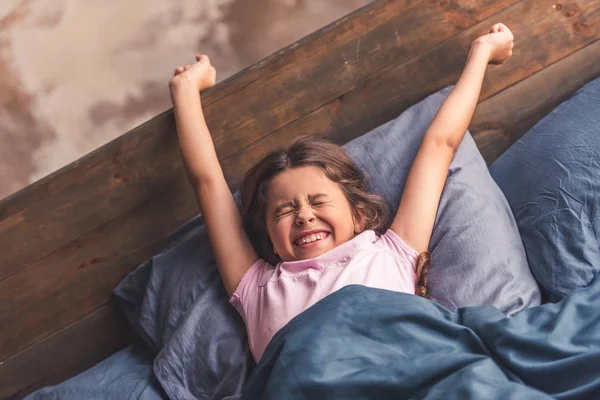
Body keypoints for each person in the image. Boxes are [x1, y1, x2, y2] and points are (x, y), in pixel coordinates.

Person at [168, 23, 515, 362]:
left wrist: (481, 54)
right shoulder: (257, 287)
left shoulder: (392, 252)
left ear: (360, 215)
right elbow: (207, 182)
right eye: (285, 211)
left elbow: (441, 144)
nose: (304, 215)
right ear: (272, 240)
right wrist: (185, 89)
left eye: (318, 202)